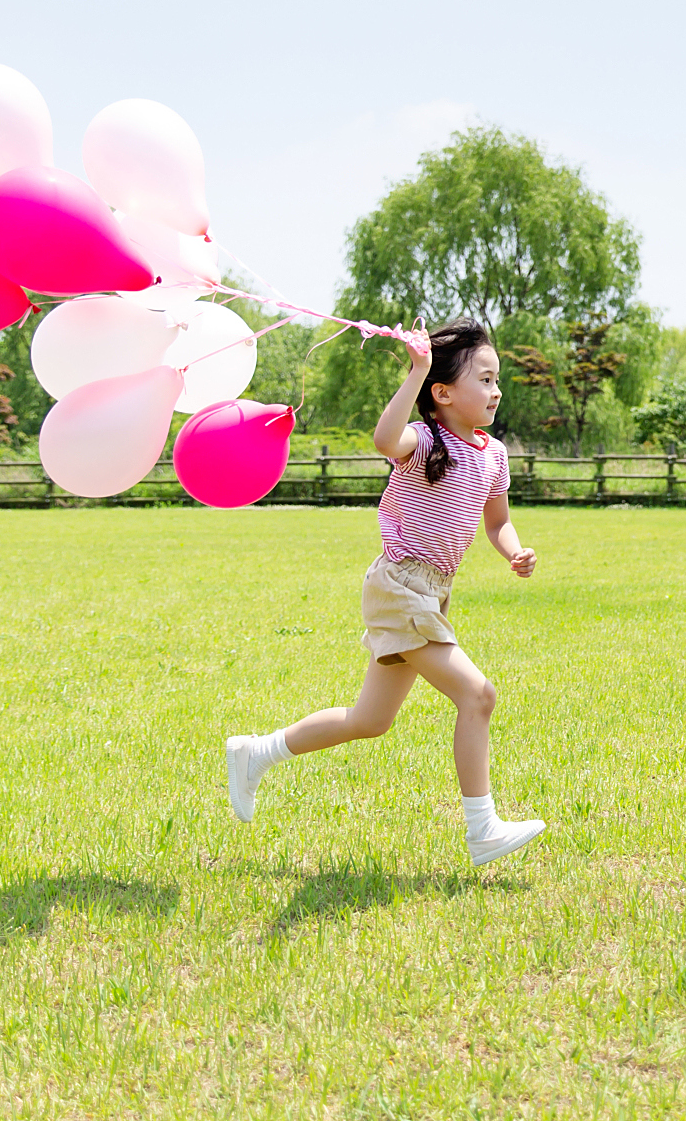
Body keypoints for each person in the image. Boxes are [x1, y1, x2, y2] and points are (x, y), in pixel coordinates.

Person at [223, 318, 547, 866]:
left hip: (434, 590)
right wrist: (417, 369)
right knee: (477, 695)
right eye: (485, 380)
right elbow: (383, 438)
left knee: (369, 721)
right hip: (400, 585)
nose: (496, 392)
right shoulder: (423, 441)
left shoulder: (494, 455)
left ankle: (256, 753)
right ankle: (482, 828)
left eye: (498, 381)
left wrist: (513, 550)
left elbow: (497, 522)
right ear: (443, 393)